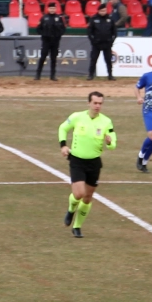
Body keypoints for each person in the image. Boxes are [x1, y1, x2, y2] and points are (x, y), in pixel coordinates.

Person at [58, 91, 116, 238]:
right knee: (79, 194)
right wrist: (63, 145)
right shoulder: (77, 117)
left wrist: (110, 142)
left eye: (100, 103)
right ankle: (71, 209)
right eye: (95, 103)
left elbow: (113, 144)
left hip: (94, 163)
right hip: (77, 160)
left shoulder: (106, 122)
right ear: (89, 103)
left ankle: (77, 227)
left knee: (88, 197)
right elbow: (63, 128)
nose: (97, 106)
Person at [35, 0, 67, 81]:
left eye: (53, 8)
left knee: (53, 59)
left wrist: (58, 36)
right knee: (43, 58)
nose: (52, 10)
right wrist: (44, 35)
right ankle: (38, 75)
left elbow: (63, 29)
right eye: (50, 8)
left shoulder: (59, 18)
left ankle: (53, 76)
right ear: (48, 9)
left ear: (55, 9)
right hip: (46, 41)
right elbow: (38, 29)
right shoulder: (44, 18)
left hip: (55, 41)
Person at [87, 2, 117, 79]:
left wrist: (111, 41)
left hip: (107, 43)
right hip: (96, 43)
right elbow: (89, 32)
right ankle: (90, 75)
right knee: (93, 59)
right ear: (99, 11)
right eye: (102, 11)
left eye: (105, 10)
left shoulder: (110, 19)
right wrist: (93, 41)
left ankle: (110, 75)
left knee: (108, 60)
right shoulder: (94, 19)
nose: (103, 12)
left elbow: (114, 32)